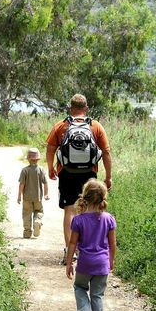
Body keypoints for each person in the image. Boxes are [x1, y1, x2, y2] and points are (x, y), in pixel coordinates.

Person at [46, 94, 112, 264]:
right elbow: (106, 152)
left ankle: (70, 250)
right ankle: (88, 248)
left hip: (67, 172)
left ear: (71, 108)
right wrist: (108, 177)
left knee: (70, 210)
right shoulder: (95, 126)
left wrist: (51, 168)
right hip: (89, 173)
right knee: (90, 209)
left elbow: (50, 149)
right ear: (86, 108)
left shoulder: (61, 125)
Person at [65, 178, 116, 311]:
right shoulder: (109, 219)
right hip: (102, 264)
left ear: (84, 197)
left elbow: (72, 243)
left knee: (80, 288)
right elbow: (112, 244)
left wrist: (69, 262)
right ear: (103, 198)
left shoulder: (78, 220)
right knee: (97, 295)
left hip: (85, 264)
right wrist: (111, 261)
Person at [17, 148, 50, 238]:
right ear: (38, 159)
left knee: (26, 214)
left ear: (28, 159)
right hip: (38, 198)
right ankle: (37, 221)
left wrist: (19, 196)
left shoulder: (25, 170)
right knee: (39, 211)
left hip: (27, 198)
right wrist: (46, 194)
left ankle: (27, 232)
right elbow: (45, 183)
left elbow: (21, 185)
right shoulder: (41, 170)